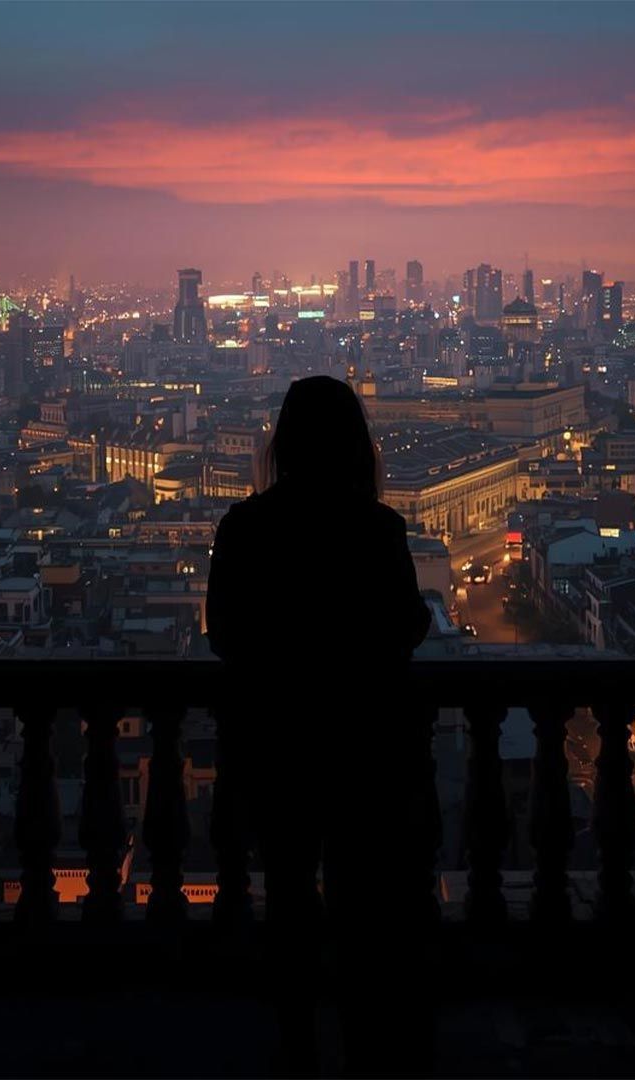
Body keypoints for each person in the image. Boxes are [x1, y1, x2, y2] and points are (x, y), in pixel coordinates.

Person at [206, 375, 435, 1075]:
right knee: (363, 902)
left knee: (287, 893)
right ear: (354, 447)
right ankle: (366, 1041)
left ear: (282, 443)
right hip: (364, 743)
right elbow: (404, 627)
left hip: (277, 741)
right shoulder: (377, 528)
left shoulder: (244, 527)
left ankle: (297, 1036)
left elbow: (224, 635)